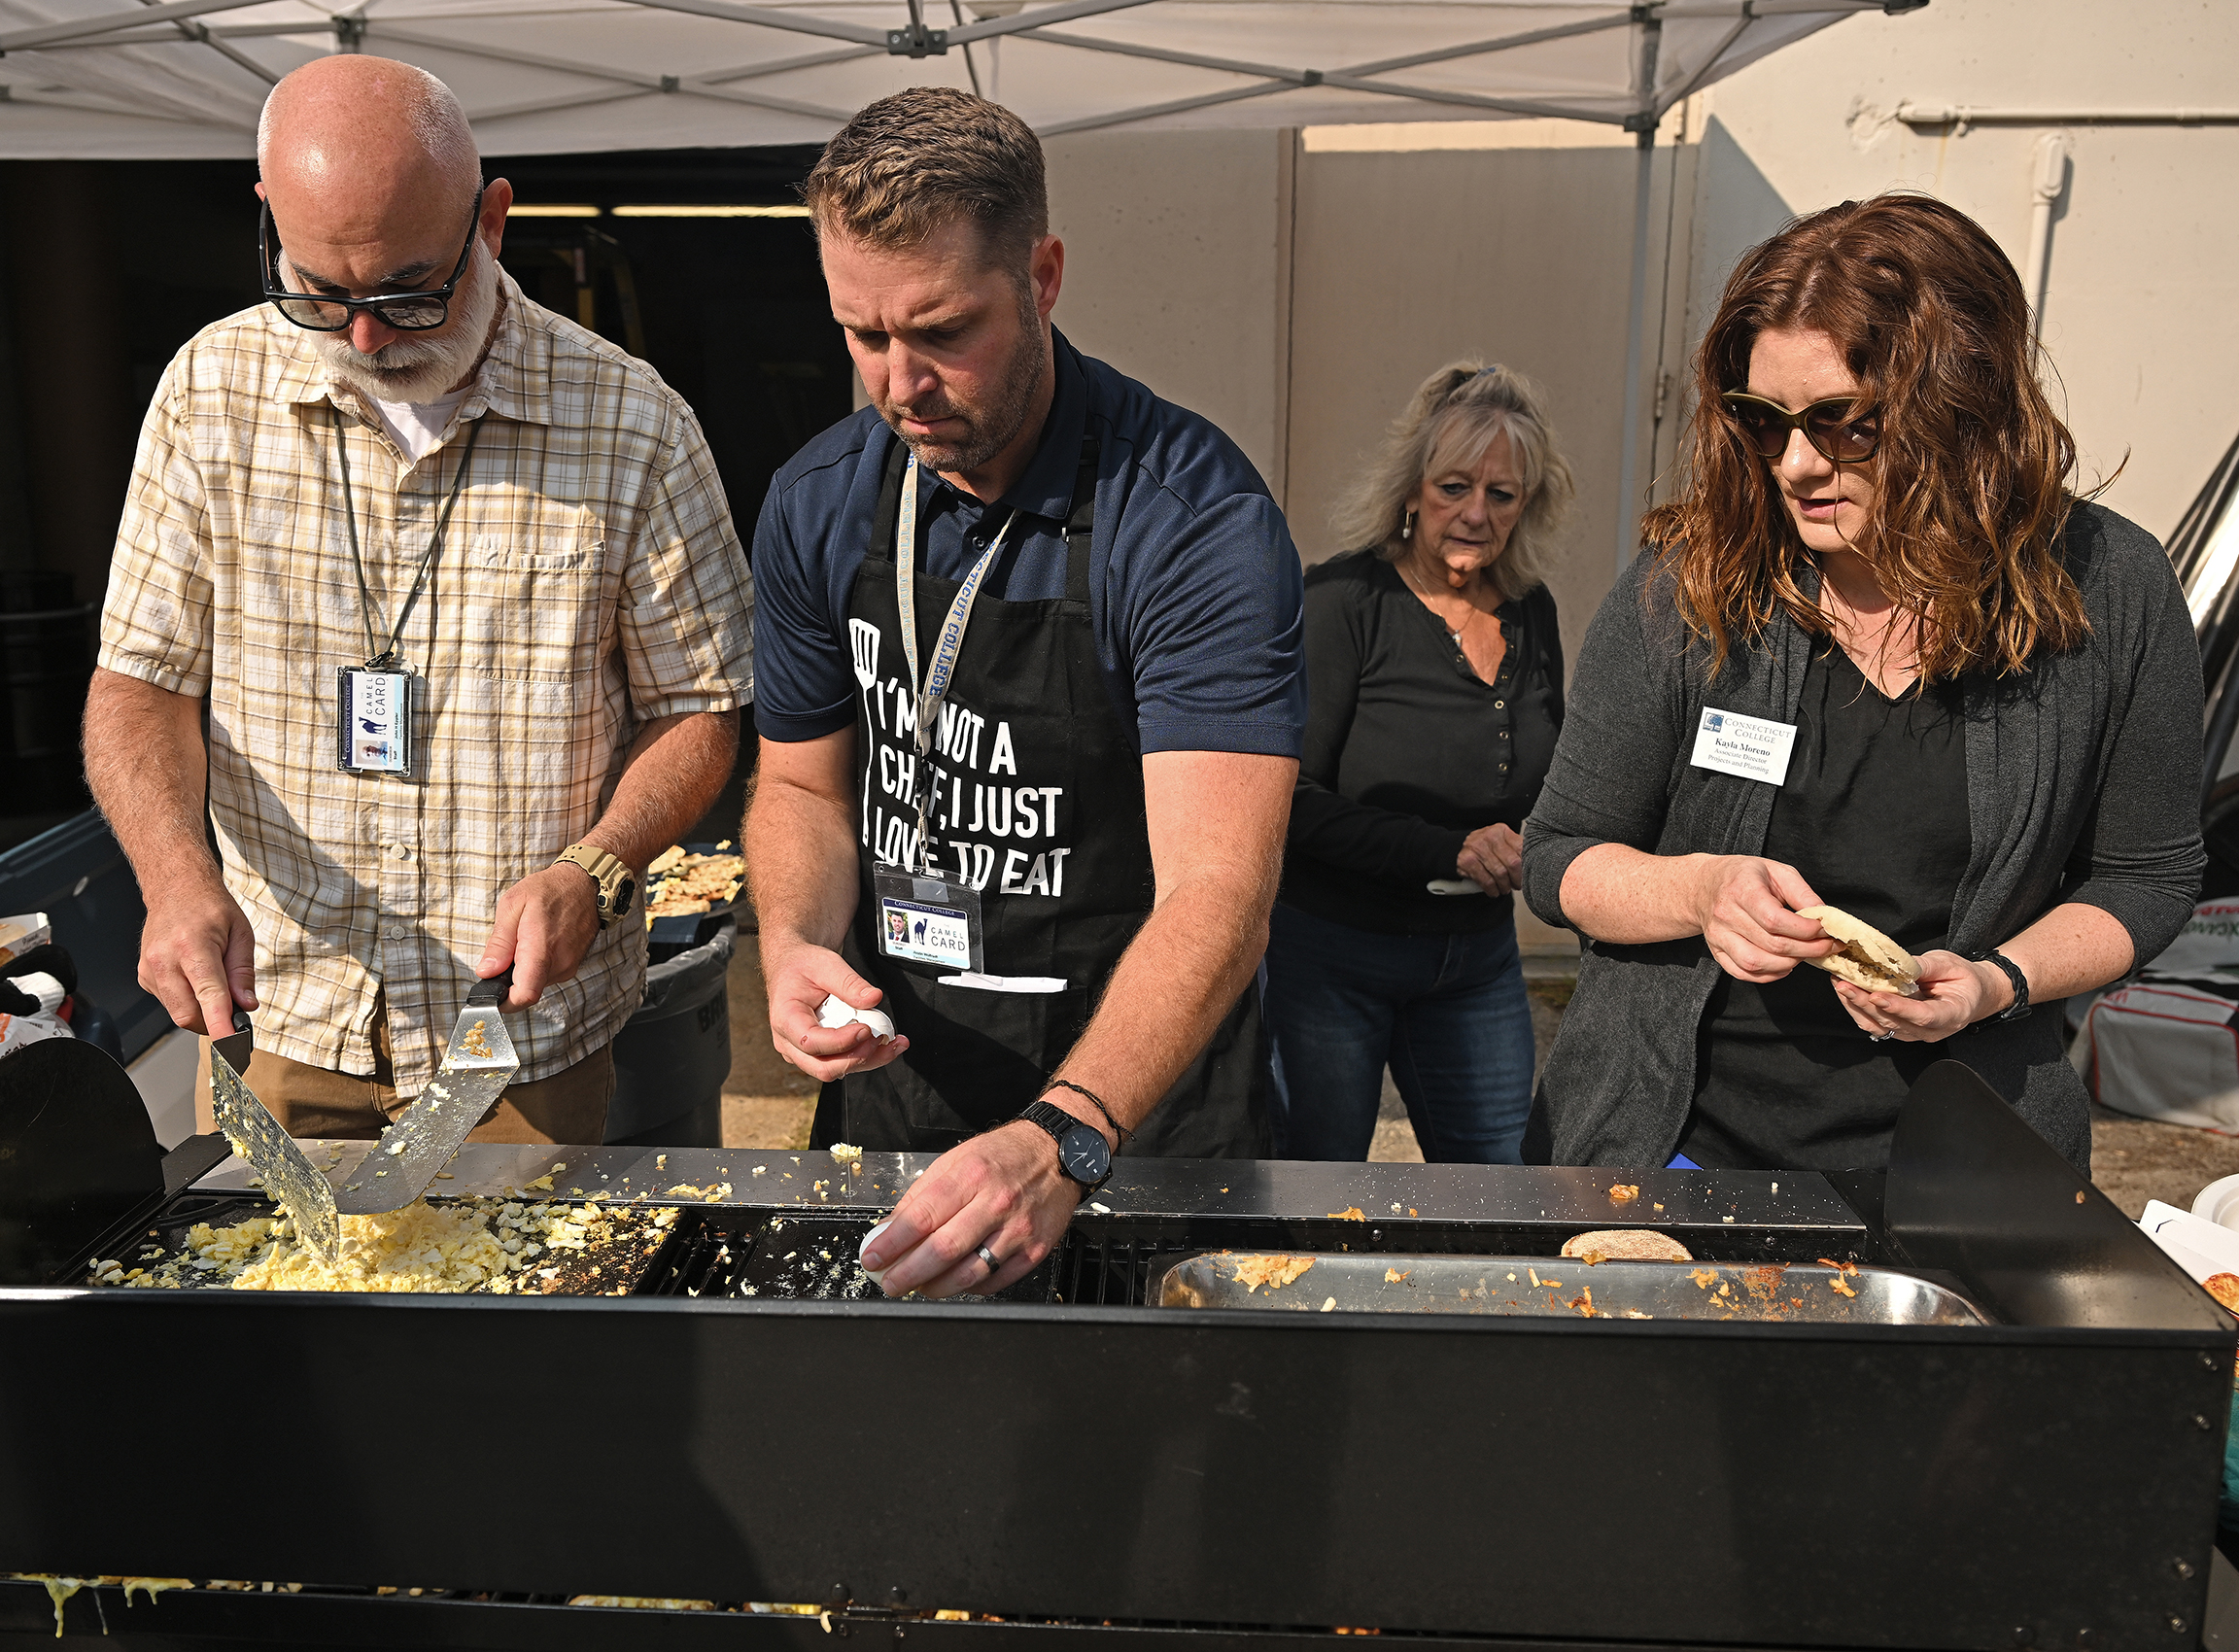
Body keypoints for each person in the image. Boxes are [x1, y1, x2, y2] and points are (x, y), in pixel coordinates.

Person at [86, 56, 752, 1144]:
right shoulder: (209, 392)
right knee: (281, 1311)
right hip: (288, 1008)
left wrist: (596, 865)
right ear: (268, 221)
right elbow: (141, 685)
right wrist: (173, 878)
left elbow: (700, 709)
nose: (364, 336)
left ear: (490, 222)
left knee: (516, 1311)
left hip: (521, 1037)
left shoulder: (635, 424)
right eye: (318, 290)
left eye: (407, 290)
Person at [745, 87, 1304, 1299]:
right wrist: (791, 941)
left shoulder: (1192, 517)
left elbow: (1222, 891)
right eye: (863, 334)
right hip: (908, 1089)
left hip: (1138, 1118)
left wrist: (1071, 1131)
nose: (901, 384)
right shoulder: (819, 499)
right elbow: (800, 781)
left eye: (944, 329)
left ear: (1043, 275)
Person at [1521, 193, 2204, 1173]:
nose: (1795, 465)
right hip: (1681, 1156)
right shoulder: (1691, 585)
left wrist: (1997, 981)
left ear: (1961, 408)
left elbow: (2148, 877)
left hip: (1970, 1171)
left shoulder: (2111, 591)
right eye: (1763, 422)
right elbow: (1560, 855)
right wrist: (1701, 890)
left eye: (1842, 424)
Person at [1266, 362, 1573, 1162]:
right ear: (1412, 492)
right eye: (1453, 487)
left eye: (1501, 495)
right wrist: (1452, 849)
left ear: (1526, 505)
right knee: (1313, 1195)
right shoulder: (1343, 602)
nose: (1475, 513)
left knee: (1501, 1189)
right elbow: (1289, 799)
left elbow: (1552, 773)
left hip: (1474, 958)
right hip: (1330, 958)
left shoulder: (1531, 612)